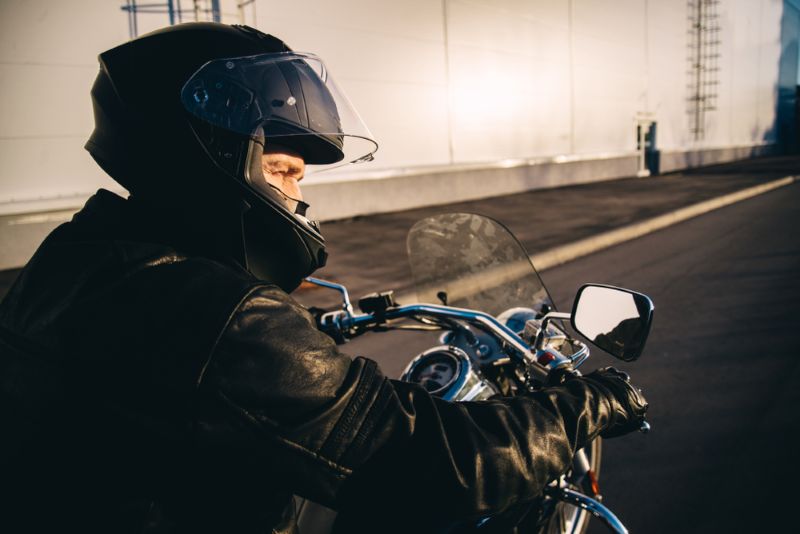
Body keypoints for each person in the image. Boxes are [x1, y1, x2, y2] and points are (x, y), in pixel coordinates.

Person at [0, 23, 647, 533]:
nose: (296, 199)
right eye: (283, 171)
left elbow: (173, 370)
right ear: (214, 155)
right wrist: (585, 403)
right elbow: (440, 465)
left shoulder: (78, 260)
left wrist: (303, 330)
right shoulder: (221, 316)